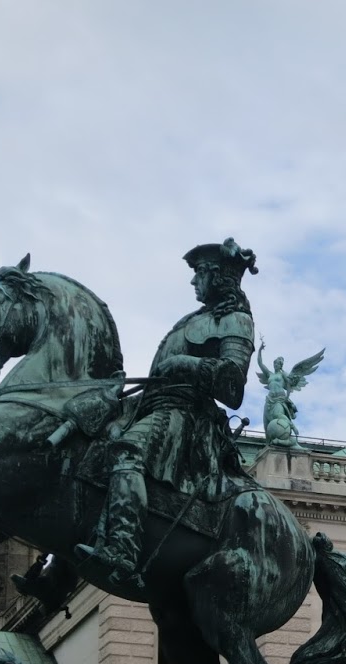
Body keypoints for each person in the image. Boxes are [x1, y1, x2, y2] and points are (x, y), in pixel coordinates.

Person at [75, 238, 258, 589]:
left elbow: (232, 387)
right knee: (86, 445)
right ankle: (57, 575)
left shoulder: (237, 321)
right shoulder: (191, 320)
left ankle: (122, 551)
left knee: (127, 451)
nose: (193, 281)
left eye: (200, 273)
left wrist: (183, 363)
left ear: (218, 277)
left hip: (186, 414)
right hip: (152, 404)